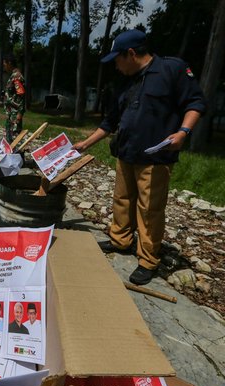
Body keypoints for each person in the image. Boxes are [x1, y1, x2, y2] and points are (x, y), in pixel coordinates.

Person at [73, 29, 206, 286]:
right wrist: (85, 144)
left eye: (117, 59)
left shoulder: (171, 70)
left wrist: (183, 132)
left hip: (155, 157)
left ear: (131, 54)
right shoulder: (126, 81)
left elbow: (196, 102)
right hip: (126, 152)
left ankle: (147, 260)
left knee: (149, 209)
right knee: (122, 199)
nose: (115, 65)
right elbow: (110, 121)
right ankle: (120, 240)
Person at [3, 55, 25, 143]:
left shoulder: (17, 76)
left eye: (4, 64)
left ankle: (16, 156)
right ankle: (10, 155)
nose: (4, 66)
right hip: (10, 113)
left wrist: (20, 114)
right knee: (9, 138)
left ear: (10, 63)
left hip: (15, 114)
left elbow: (21, 96)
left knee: (15, 140)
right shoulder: (12, 76)